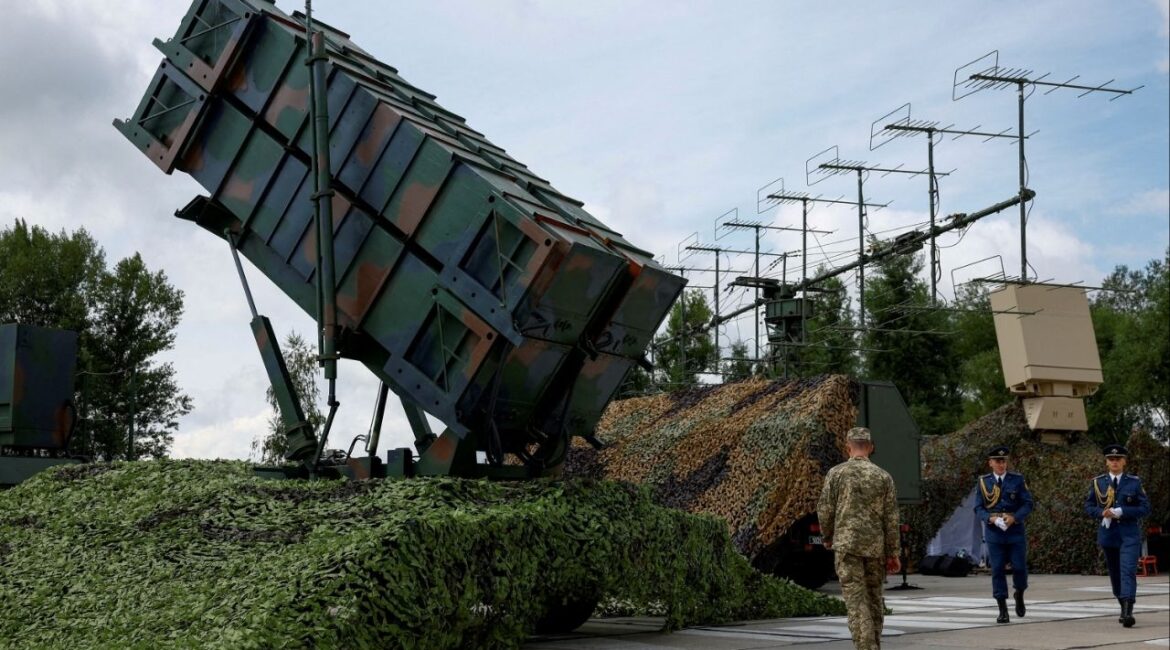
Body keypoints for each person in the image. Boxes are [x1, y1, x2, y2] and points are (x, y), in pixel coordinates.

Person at [817, 427, 901, 650]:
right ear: (870, 448)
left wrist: (827, 537)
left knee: (856, 601)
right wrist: (893, 553)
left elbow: (825, 510)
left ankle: (866, 647)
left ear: (848, 447)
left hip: (847, 546)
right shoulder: (884, 477)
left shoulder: (836, 474)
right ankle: (874, 644)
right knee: (874, 599)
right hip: (875, 548)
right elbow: (892, 519)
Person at [1084, 443, 1150, 628]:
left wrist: (1122, 511)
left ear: (1124, 461)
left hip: (1129, 533)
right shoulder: (1098, 483)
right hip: (1109, 533)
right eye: (1111, 459)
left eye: (1118, 459)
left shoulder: (1134, 482)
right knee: (1115, 573)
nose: (1114, 462)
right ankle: (1122, 604)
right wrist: (1100, 512)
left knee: (1128, 570)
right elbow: (1088, 506)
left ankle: (1128, 610)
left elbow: (1144, 508)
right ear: (1106, 462)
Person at [973, 445, 1034, 624]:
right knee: (998, 569)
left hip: (1014, 530)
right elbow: (978, 507)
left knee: (1020, 567)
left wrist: (1015, 517)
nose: (1001, 464)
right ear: (990, 463)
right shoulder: (984, 482)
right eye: (997, 461)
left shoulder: (1017, 479)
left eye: (1003, 461)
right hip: (995, 532)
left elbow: (1028, 503)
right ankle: (1002, 608)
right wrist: (990, 519)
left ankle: (1019, 592)